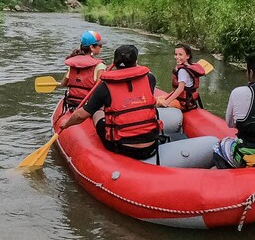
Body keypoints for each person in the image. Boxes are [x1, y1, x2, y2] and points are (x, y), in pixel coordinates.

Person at [60, 44, 218, 167]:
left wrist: (66, 124)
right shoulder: (150, 79)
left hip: (121, 146)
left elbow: (81, 115)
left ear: (114, 63)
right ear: (136, 62)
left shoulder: (104, 86)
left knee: (97, 112)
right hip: (150, 144)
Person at [60, 30, 106, 111]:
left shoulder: (73, 64)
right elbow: (100, 89)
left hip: (73, 103)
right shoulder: (100, 66)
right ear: (92, 47)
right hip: (90, 105)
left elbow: (63, 84)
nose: (101, 48)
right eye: (100, 45)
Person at [156, 43, 206, 111]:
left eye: (180, 54)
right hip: (189, 101)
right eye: (176, 54)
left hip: (183, 103)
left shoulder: (183, 71)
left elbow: (180, 89)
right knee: (159, 99)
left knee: (157, 103)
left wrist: (166, 102)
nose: (177, 57)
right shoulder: (189, 67)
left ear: (188, 56)